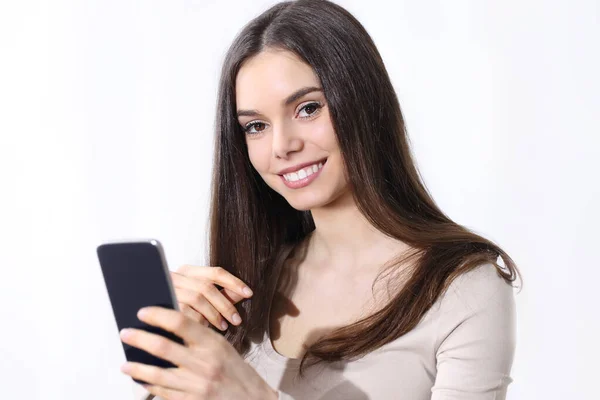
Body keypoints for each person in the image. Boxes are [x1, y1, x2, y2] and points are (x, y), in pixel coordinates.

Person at [120, 0, 520, 399]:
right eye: (256, 126)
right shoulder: (243, 286)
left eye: (308, 108)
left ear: (362, 102)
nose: (282, 146)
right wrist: (178, 351)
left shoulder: (462, 287)